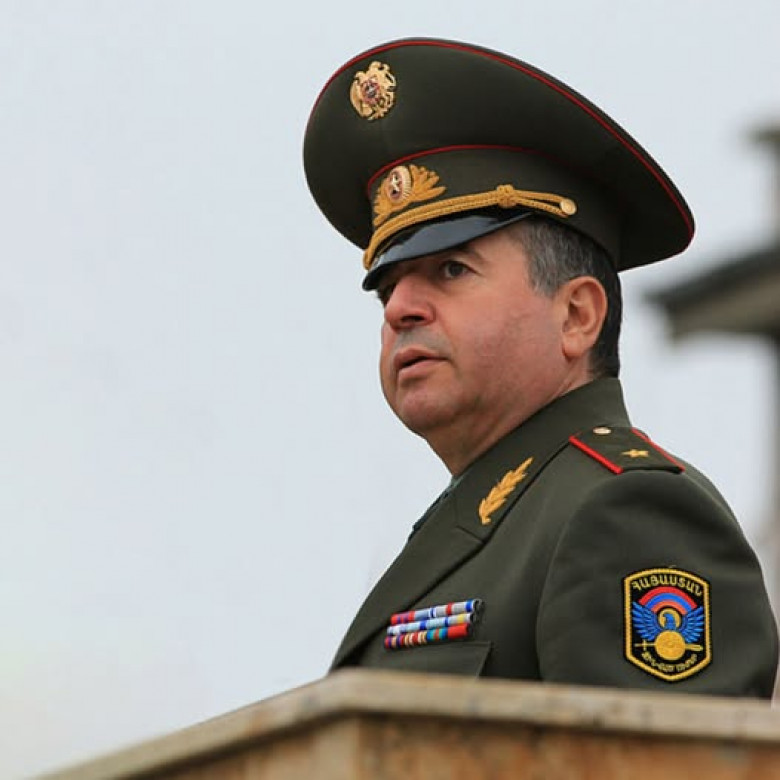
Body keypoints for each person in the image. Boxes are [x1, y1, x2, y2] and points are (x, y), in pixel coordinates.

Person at [303, 37, 778, 697]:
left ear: (577, 316)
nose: (401, 308)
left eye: (451, 269)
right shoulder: (495, 521)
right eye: (389, 289)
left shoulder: (628, 514)